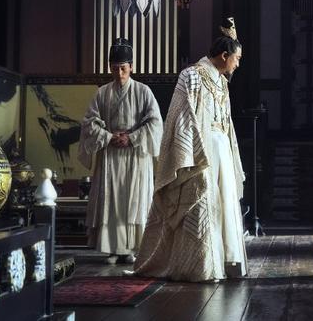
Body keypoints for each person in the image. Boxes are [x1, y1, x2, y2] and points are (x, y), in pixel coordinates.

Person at [135, 17, 247, 281]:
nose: (238, 64)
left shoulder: (222, 81)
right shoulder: (192, 75)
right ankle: (198, 266)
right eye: (237, 58)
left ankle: (225, 263)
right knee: (201, 199)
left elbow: (227, 121)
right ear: (224, 55)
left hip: (222, 148)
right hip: (201, 149)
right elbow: (182, 116)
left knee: (225, 201)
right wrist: (193, 152)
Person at [78, 39, 163, 264]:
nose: (119, 73)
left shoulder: (143, 91)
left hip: (136, 154)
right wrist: (108, 137)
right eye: (115, 68)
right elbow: (89, 122)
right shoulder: (102, 93)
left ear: (131, 67)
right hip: (111, 152)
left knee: (135, 199)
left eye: (123, 68)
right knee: (112, 200)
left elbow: (155, 122)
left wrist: (132, 138)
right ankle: (112, 248)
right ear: (110, 68)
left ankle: (133, 248)